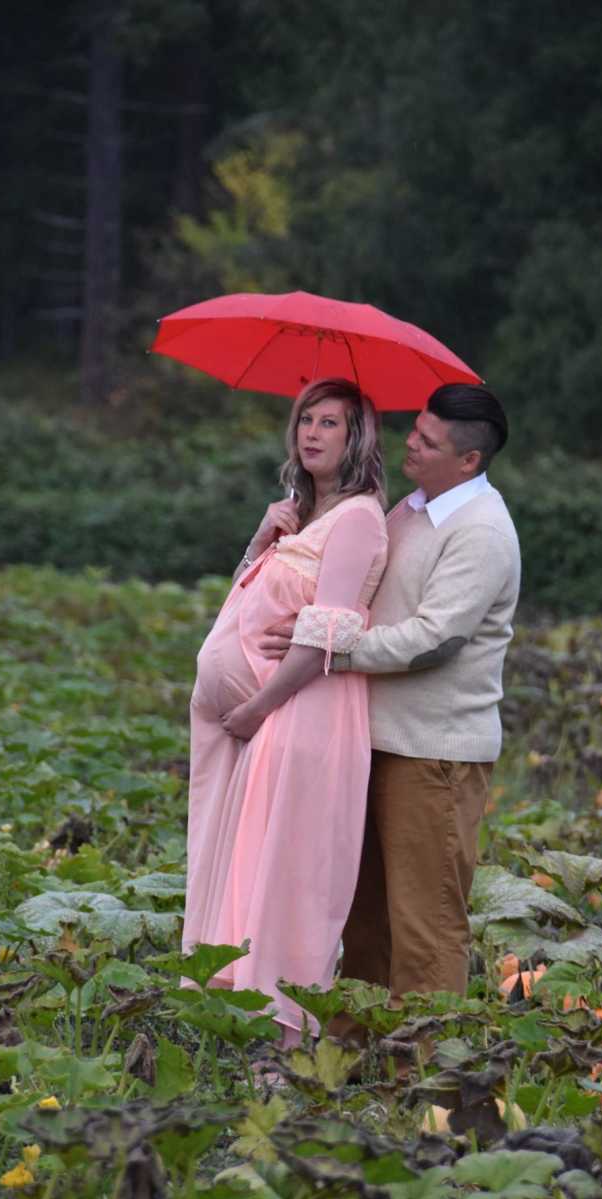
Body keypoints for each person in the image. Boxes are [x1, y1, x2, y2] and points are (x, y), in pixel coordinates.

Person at [261, 383, 520, 1011]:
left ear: (469, 461)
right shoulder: (411, 509)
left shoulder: (481, 531)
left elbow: (435, 640)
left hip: (432, 754)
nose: (410, 442)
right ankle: (354, 1057)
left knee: (425, 923)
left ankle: (427, 1082)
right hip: (371, 739)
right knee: (363, 916)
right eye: (415, 428)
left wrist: (328, 650)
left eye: (428, 441)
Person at [182, 378, 388, 1047]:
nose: (313, 433)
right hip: (268, 717)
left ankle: (287, 1043)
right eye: (306, 419)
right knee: (254, 862)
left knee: (291, 872)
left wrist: (257, 707)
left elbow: (324, 635)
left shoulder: (357, 518)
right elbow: (243, 601)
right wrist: (262, 536)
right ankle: (248, 1032)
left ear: (356, 439)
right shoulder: (300, 515)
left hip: (304, 711)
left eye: (331, 423)